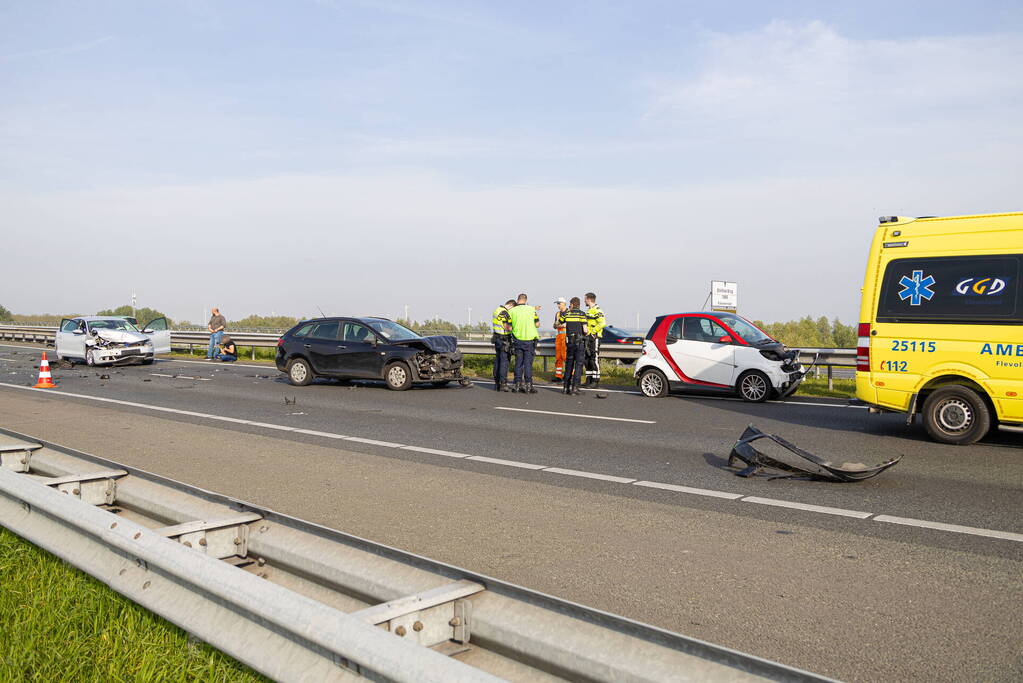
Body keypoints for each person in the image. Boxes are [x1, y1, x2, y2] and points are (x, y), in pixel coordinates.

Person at [507, 293, 540, 393]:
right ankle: (529, 385)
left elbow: (509, 327)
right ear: (526, 300)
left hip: (517, 340)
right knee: (527, 364)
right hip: (529, 340)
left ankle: (517, 385)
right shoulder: (531, 310)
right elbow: (537, 324)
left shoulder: (511, 311)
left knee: (518, 363)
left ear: (517, 300)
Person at [560, 297, 588, 395]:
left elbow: (557, 323)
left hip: (570, 343)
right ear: (579, 304)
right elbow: (585, 330)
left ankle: (565, 387)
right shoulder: (582, 314)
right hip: (579, 342)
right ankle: (575, 388)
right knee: (578, 365)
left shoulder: (567, 314)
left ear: (572, 304)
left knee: (569, 364)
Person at [491, 299, 515, 391]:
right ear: (511, 305)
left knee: (498, 360)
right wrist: (513, 329)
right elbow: (506, 327)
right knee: (504, 361)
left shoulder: (497, 310)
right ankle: (503, 383)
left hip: (497, 338)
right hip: (504, 339)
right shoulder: (504, 313)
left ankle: (497, 382)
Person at [584, 292, 605, 387]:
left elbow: (602, 323)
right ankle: (588, 380)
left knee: (593, 358)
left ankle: (595, 380)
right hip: (587, 338)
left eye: (585, 299)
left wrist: (593, 332)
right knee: (587, 359)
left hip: (594, 338)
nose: (584, 301)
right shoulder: (589, 310)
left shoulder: (597, 310)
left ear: (589, 299)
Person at [553, 297, 568, 381]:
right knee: (558, 357)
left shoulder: (569, 312)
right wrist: (559, 325)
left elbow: (568, 324)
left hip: (566, 336)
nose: (558, 305)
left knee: (566, 356)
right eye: (557, 304)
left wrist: (560, 325)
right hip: (559, 337)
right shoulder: (557, 314)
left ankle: (570, 375)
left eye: (559, 303)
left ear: (563, 303)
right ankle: (558, 376)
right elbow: (555, 325)